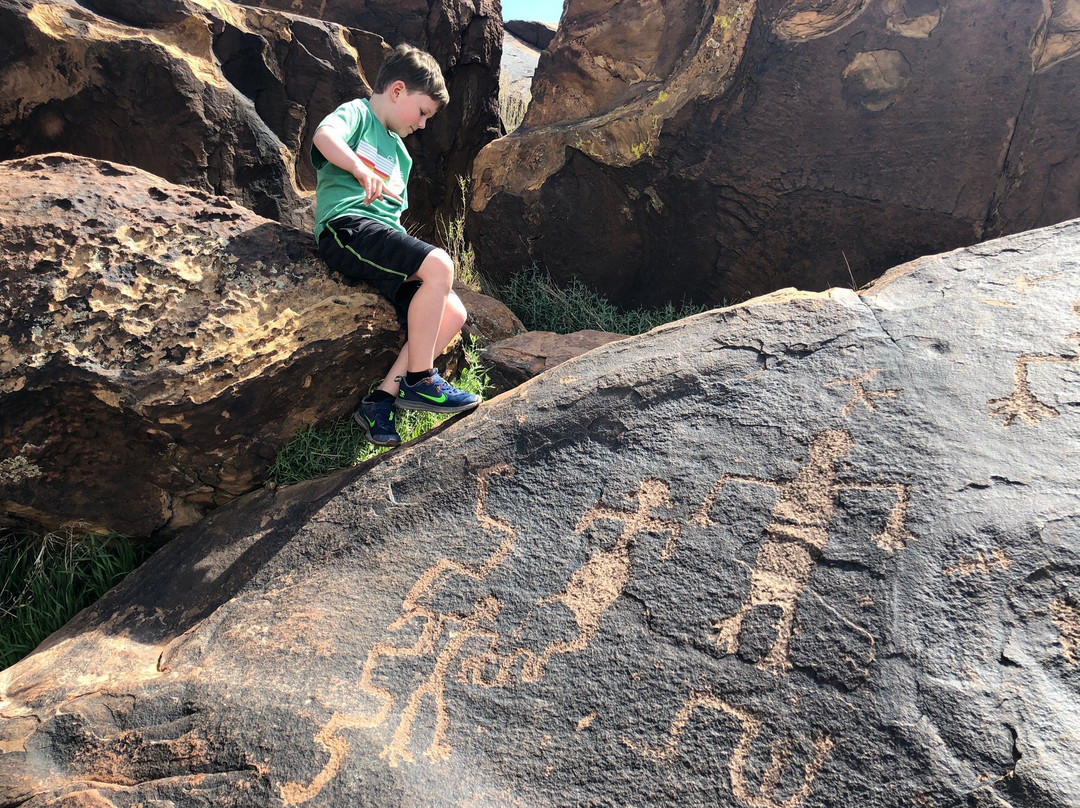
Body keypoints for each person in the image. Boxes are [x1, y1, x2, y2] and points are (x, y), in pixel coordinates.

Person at [311, 44, 479, 449]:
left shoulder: (401, 155)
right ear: (398, 90)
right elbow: (323, 136)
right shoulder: (359, 114)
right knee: (441, 264)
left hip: (378, 243)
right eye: (422, 113)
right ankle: (421, 380)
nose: (423, 125)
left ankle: (383, 398)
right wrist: (357, 167)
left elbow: (393, 219)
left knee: (454, 312)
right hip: (346, 229)